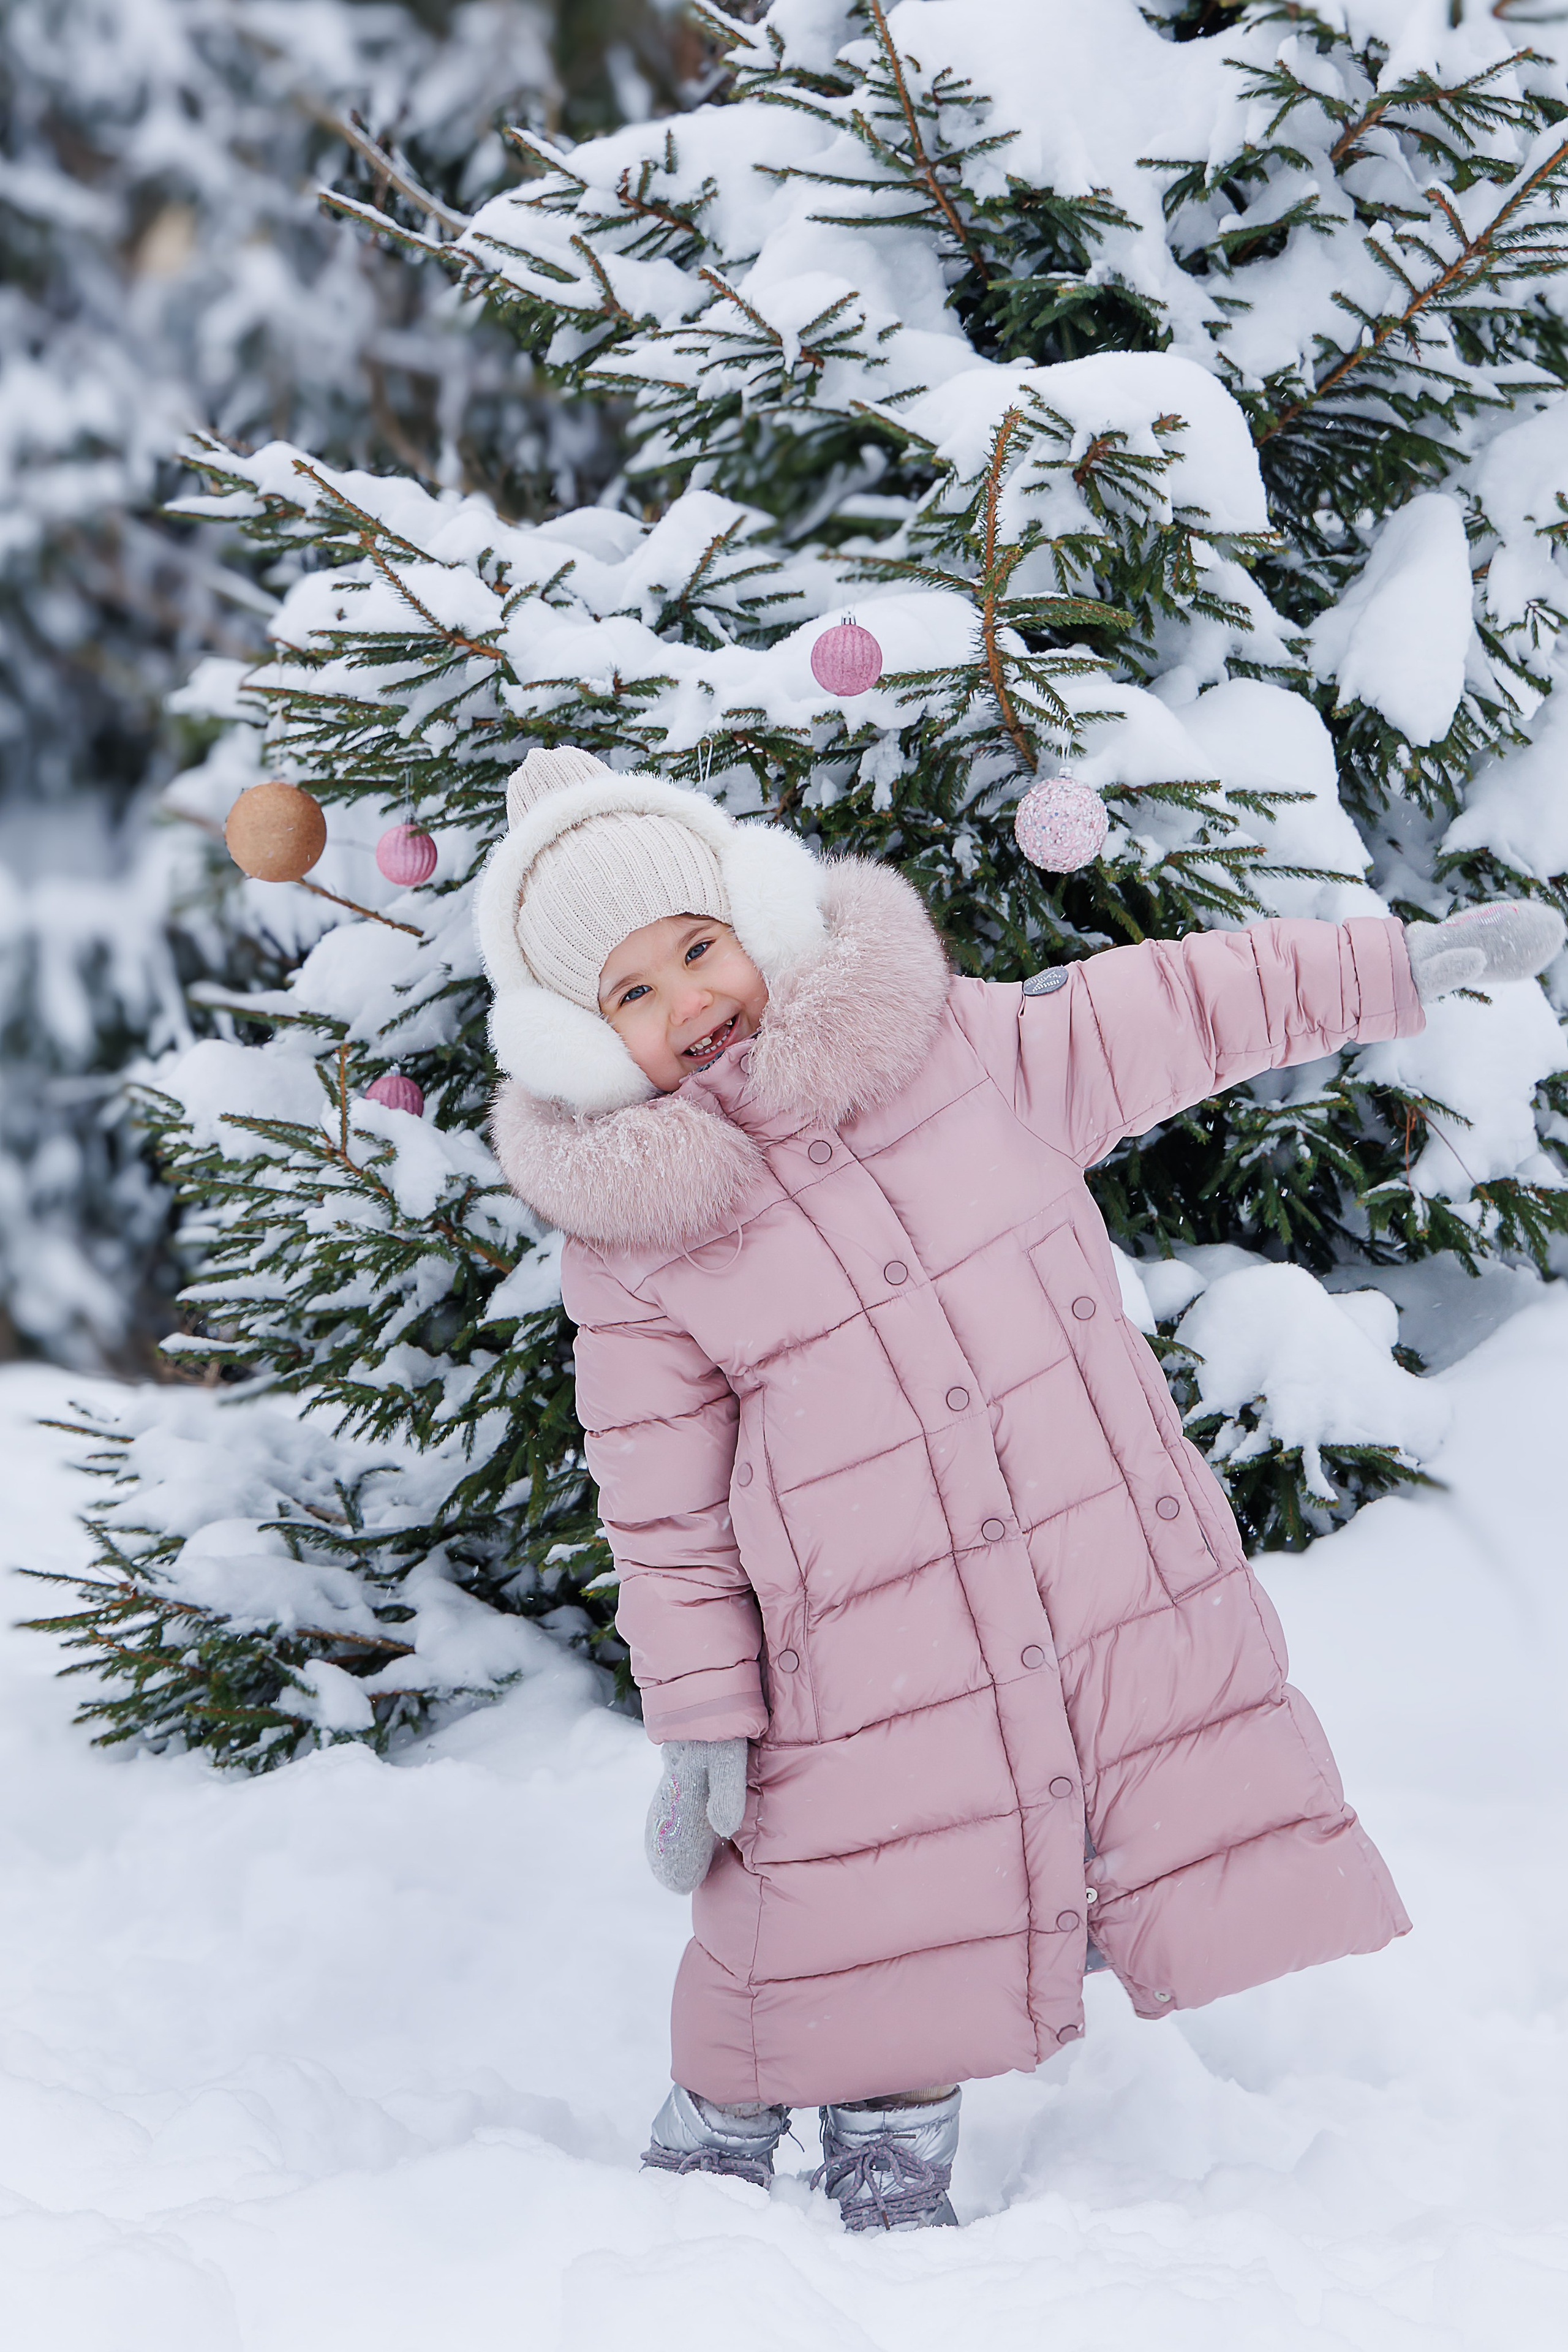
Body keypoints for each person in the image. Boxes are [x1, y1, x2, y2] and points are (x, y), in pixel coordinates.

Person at [477, 744, 1562, 2233]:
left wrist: (1391, 967)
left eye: (694, 949)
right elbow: (656, 1506)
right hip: (849, 1632)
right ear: (587, 1043)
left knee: (1024, 1812)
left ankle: (905, 2087)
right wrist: (698, 1722)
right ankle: (762, 2124)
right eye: (631, 998)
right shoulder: (636, 1245)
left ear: (754, 922)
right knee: (856, 1861)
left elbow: (1180, 999)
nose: (689, 1006)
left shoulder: (952, 1053)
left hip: (1080, 1551)